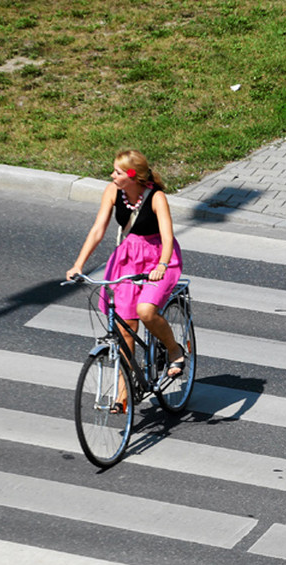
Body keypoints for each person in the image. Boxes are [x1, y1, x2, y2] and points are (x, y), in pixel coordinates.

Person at [66, 149, 185, 412]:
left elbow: (167, 237)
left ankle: (174, 350)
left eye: (118, 172)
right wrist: (79, 264)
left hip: (158, 259)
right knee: (124, 326)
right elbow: (98, 229)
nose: (112, 175)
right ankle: (124, 393)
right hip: (127, 258)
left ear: (133, 176)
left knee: (145, 311)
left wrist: (162, 266)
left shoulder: (156, 197)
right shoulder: (112, 192)